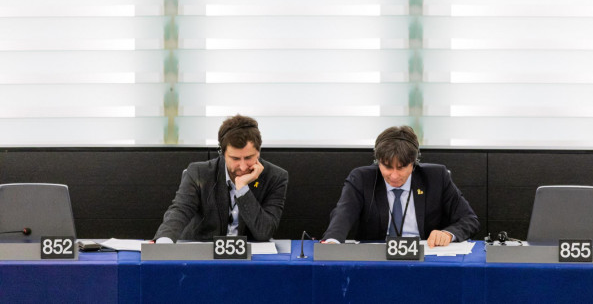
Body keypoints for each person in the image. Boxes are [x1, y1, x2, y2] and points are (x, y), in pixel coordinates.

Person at [322, 125, 479, 247]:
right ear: (377, 162)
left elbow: (469, 219)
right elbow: (343, 214)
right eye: (387, 167)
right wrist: (332, 242)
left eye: (402, 167)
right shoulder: (362, 178)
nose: (394, 175)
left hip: (425, 259)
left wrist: (448, 234)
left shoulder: (436, 177)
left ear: (414, 163)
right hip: (376, 261)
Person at [154, 115, 288, 243]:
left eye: (248, 158)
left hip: (249, 258)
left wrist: (242, 189)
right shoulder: (198, 173)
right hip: (203, 253)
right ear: (222, 153)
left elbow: (264, 232)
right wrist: (164, 241)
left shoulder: (275, 177)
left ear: (259, 152)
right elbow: (179, 211)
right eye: (235, 158)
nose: (242, 167)